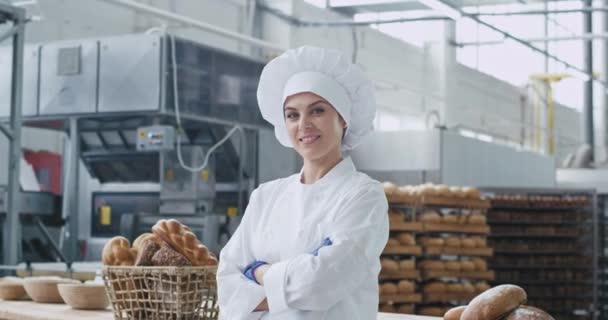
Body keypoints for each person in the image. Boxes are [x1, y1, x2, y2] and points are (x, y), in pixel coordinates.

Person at [217, 46, 389, 320]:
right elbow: (226, 283)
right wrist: (295, 281)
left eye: (317, 111)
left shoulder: (363, 195)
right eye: (292, 115)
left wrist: (259, 273)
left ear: (343, 119)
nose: (304, 124)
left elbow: (321, 284)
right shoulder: (266, 196)